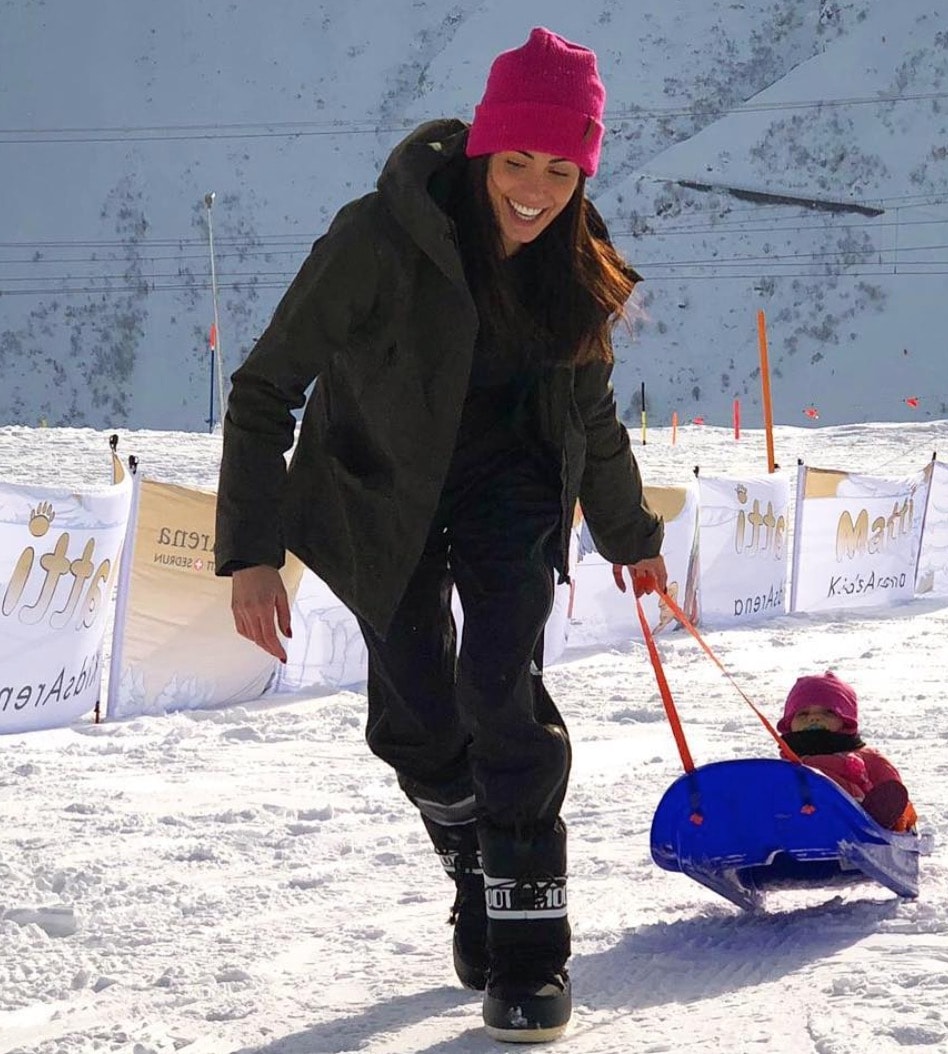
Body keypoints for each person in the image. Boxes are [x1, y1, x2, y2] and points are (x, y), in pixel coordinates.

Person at [214, 27, 667, 1043]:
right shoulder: (379, 237)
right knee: (418, 719)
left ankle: (529, 949)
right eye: (518, 161)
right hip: (381, 486)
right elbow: (265, 387)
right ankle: (473, 854)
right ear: (481, 150)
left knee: (501, 688)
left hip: (511, 485)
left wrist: (632, 533)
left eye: (562, 168)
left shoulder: (570, 266)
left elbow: (591, 416)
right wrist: (251, 549)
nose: (536, 189)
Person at [776, 671, 918, 832]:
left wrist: (895, 818)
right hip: (797, 827)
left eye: (828, 712)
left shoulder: (868, 757)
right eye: (803, 713)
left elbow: (893, 793)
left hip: (856, 820)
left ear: (846, 720)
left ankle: (869, 821)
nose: (814, 718)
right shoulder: (784, 765)